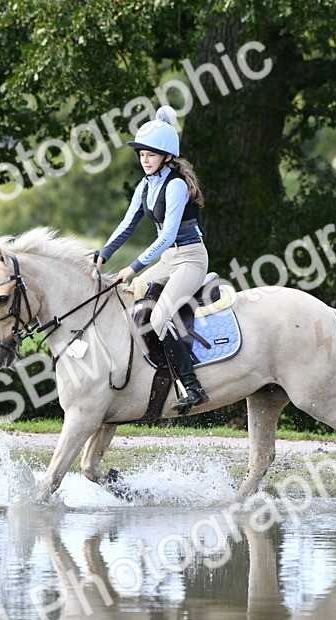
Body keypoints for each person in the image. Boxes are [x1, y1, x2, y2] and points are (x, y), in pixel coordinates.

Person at [94, 105, 210, 413]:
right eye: (142, 154)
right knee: (131, 296)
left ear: (167, 157)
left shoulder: (175, 185)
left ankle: (193, 387)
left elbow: (167, 236)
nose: (145, 160)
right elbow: (126, 225)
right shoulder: (145, 185)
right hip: (169, 259)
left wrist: (132, 267)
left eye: (151, 155)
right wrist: (103, 254)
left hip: (190, 259)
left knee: (159, 318)